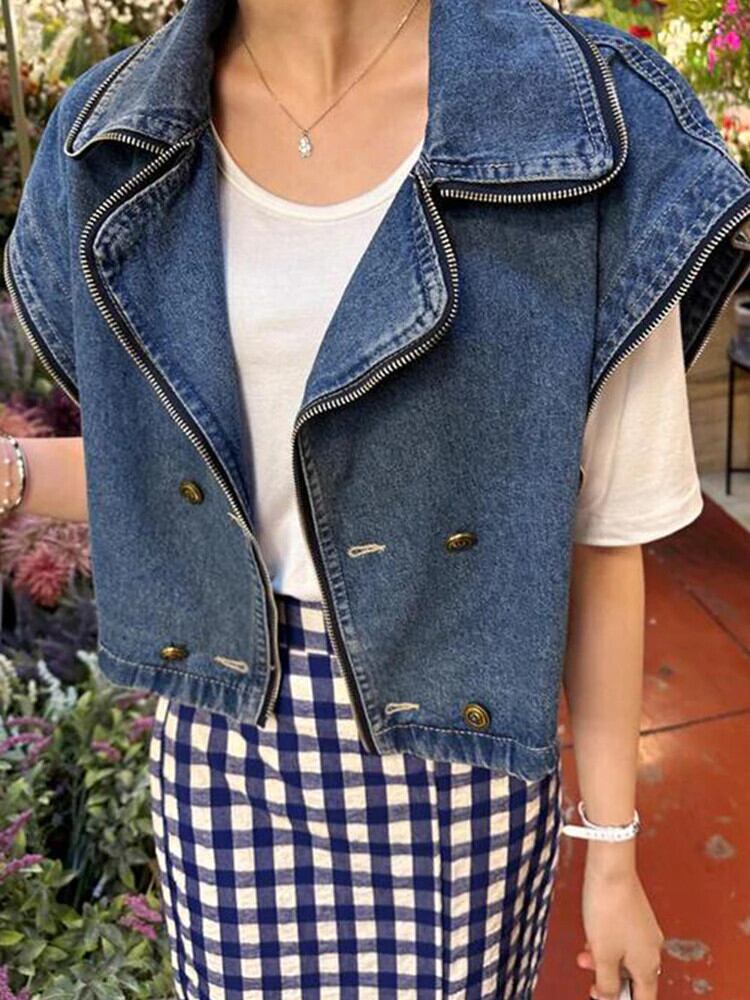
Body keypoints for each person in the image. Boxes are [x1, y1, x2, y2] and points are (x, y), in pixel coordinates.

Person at [4, 0, 750, 997]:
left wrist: (612, 850)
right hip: (227, 739)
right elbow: (170, 483)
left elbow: (598, 534)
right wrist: (12, 475)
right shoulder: (108, 143)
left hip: (458, 753)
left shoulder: (587, 129)